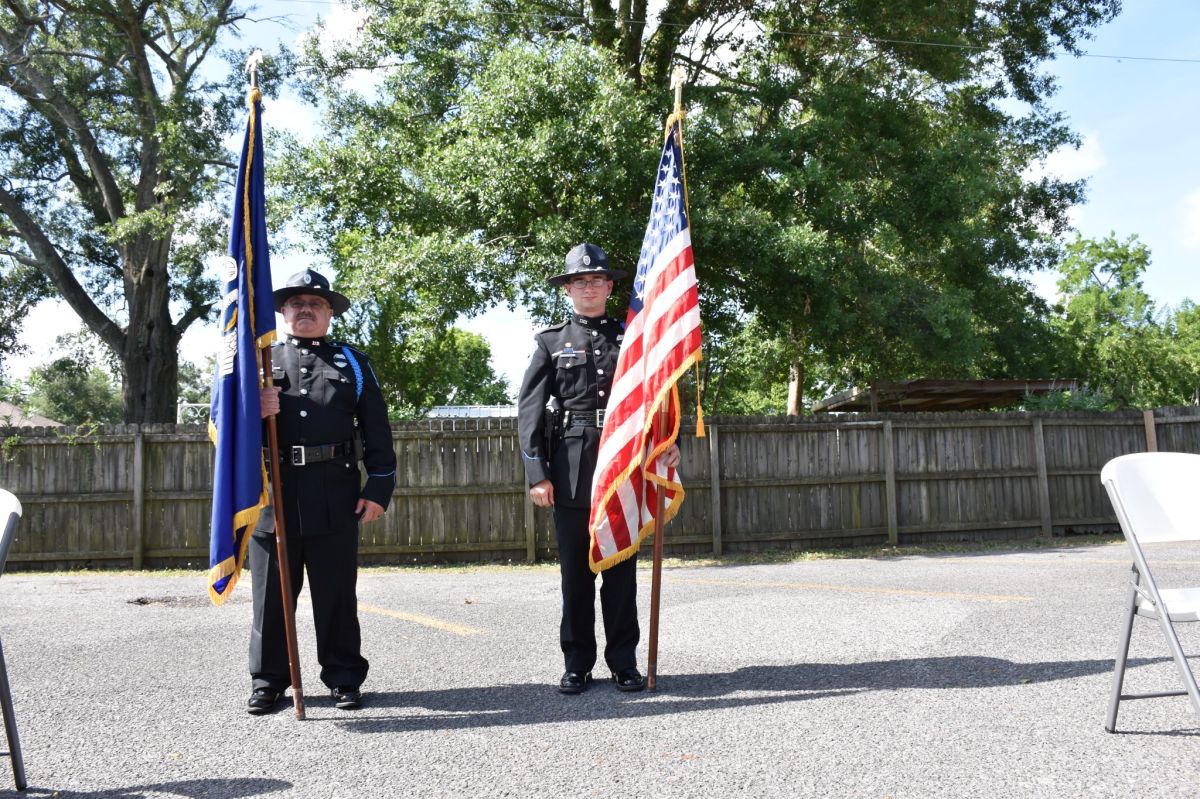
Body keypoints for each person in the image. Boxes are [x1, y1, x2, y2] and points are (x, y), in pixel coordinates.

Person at [517, 243, 679, 695]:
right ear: (568, 290)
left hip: (623, 464)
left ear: (610, 286)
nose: (588, 287)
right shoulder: (550, 342)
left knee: (621, 571)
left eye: (597, 280)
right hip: (570, 468)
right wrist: (537, 473)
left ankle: (624, 661)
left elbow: (658, 392)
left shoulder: (633, 336)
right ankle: (577, 662)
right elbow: (529, 410)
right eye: (579, 282)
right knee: (576, 573)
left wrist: (669, 442)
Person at [247, 268, 396, 714]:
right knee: (272, 595)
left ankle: (343, 675)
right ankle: (269, 680)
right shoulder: (259, 361)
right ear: (283, 311)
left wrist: (379, 488)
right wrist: (255, 408)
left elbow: (377, 431)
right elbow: (228, 433)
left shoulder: (353, 362)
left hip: (336, 490)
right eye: (296, 303)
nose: (305, 310)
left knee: (336, 594)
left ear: (329, 312)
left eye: (316, 304)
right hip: (273, 494)